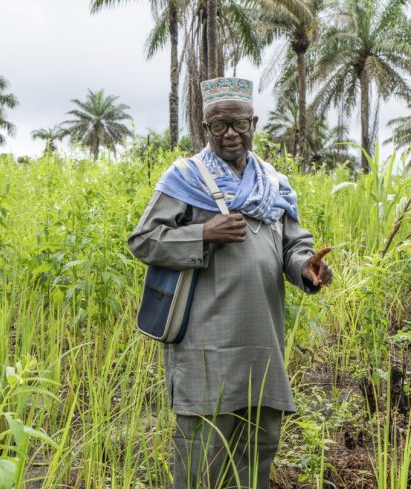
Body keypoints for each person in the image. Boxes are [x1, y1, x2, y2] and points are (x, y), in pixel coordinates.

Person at [127, 77, 332, 489]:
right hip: (205, 342)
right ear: (206, 128)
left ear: (253, 122)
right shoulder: (185, 178)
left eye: (239, 123)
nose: (231, 135)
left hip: (262, 339)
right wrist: (204, 233)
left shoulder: (273, 183)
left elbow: (294, 245)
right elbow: (144, 239)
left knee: (257, 447)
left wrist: (305, 267)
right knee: (202, 454)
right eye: (219, 126)